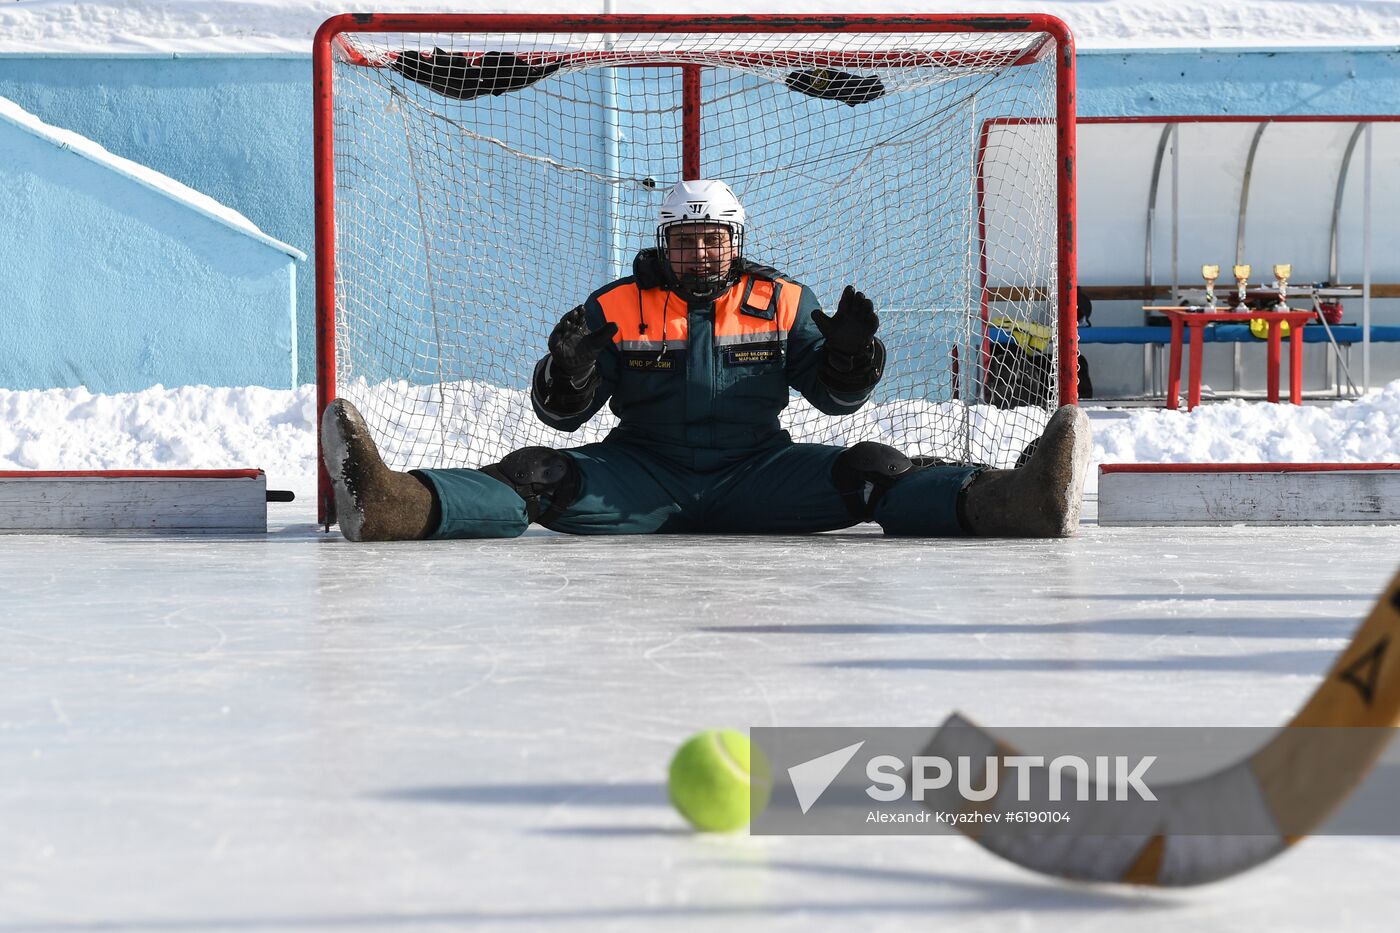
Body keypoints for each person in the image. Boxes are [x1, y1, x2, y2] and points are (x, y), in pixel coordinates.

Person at [322, 179, 1090, 542]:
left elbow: (833, 402)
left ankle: (1010, 502)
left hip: (760, 472)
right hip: (641, 477)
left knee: (874, 465)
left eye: (712, 240)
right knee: (534, 471)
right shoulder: (616, 305)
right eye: (684, 242)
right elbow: (562, 414)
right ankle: (397, 505)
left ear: (736, 240)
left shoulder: (783, 298)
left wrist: (854, 357)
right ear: (665, 243)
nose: (698, 253)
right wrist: (570, 369)